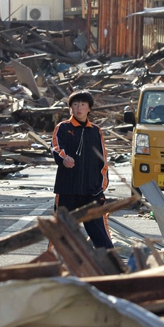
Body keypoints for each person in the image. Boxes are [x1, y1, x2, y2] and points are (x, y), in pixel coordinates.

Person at [51, 90, 113, 249]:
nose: (79, 108)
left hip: (91, 190)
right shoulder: (63, 127)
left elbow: (103, 159)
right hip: (68, 190)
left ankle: (110, 263)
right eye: (75, 104)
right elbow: (56, 148)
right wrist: (64, 158)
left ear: (89, 109)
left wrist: (102, 185)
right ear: (70, 108)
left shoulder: (96, 131)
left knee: (99, 232)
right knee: (62, 230)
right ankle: (55, 260)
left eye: (83, 105)